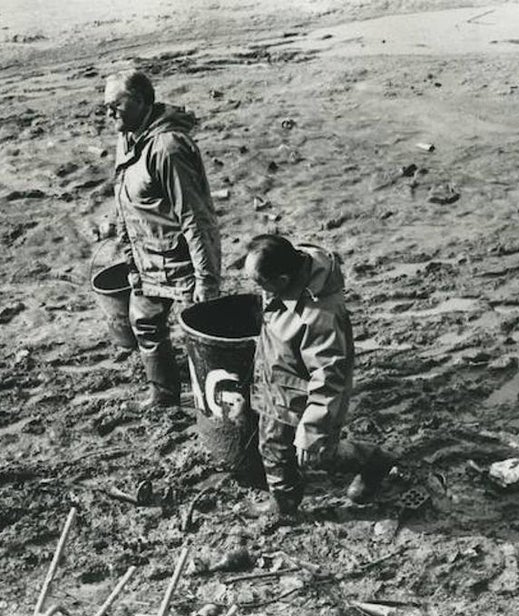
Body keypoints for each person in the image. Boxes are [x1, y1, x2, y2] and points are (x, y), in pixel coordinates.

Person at [247, 234, 396, 518]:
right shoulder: (290, 272)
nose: (259, 291)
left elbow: (329, 377)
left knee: (317, 453)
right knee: (273, 446)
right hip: (279, 381)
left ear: (281, 280)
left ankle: (374, 461)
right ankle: (284, 504)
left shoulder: (319, 316)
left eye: (261, 284)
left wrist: (312, 430)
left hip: (303, 395)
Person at [104, 69, 222, 410]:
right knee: (144, 324)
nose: (109, 113)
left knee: (201, 338)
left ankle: (215, 407)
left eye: (116, 105)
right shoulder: (127, 139)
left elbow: (196, 217)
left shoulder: (169, 148)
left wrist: (207, 281)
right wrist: (130, 261)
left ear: (141, 101)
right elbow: (126, 204)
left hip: (182, 262)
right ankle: (163, 396)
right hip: (146, 259)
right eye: (106, 107)